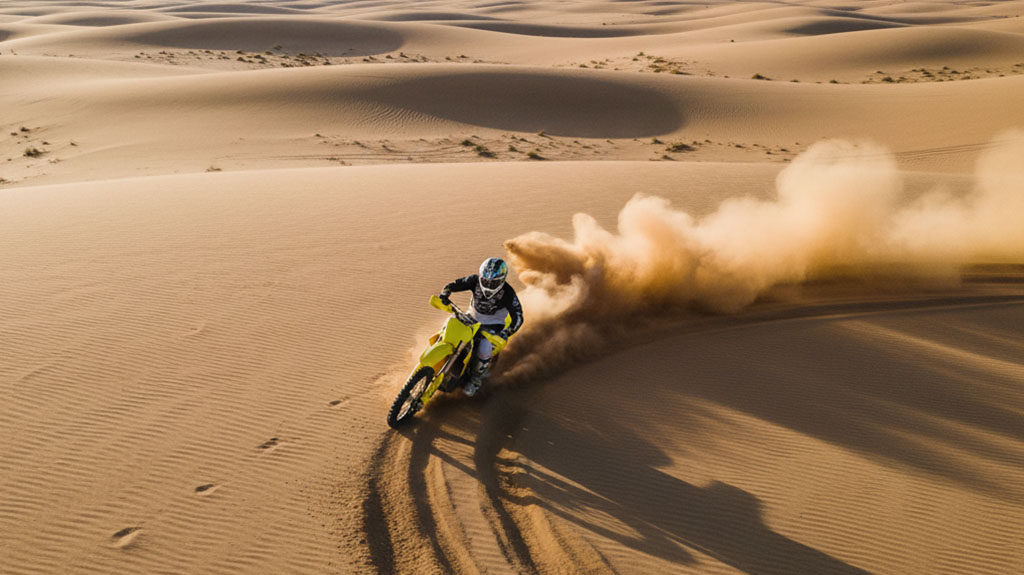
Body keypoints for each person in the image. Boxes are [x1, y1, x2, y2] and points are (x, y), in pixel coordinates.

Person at [439, 257, 523, 396]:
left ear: (501, 280)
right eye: (485, 280)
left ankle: (475, 379)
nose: (488, 284)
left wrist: (507, 332)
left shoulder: (508, 293)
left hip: (493, 324)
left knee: (485, 348)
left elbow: (518, 316)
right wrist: (445, 292)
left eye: (493, 282)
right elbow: (454, 284)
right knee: (450, 324)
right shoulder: (474, 280)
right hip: (471, 316)